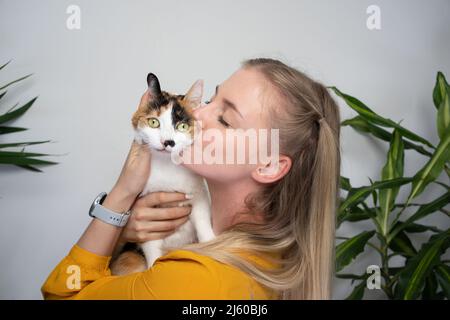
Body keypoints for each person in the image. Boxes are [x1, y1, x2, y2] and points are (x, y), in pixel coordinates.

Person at [41, 58, 341, 300]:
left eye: (225, 119)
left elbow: (60, 295)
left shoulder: (196, 280)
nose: (196, 114)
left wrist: (122, 193)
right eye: (210, 99)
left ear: (269, 165)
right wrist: (123, 233)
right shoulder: (271, 259)